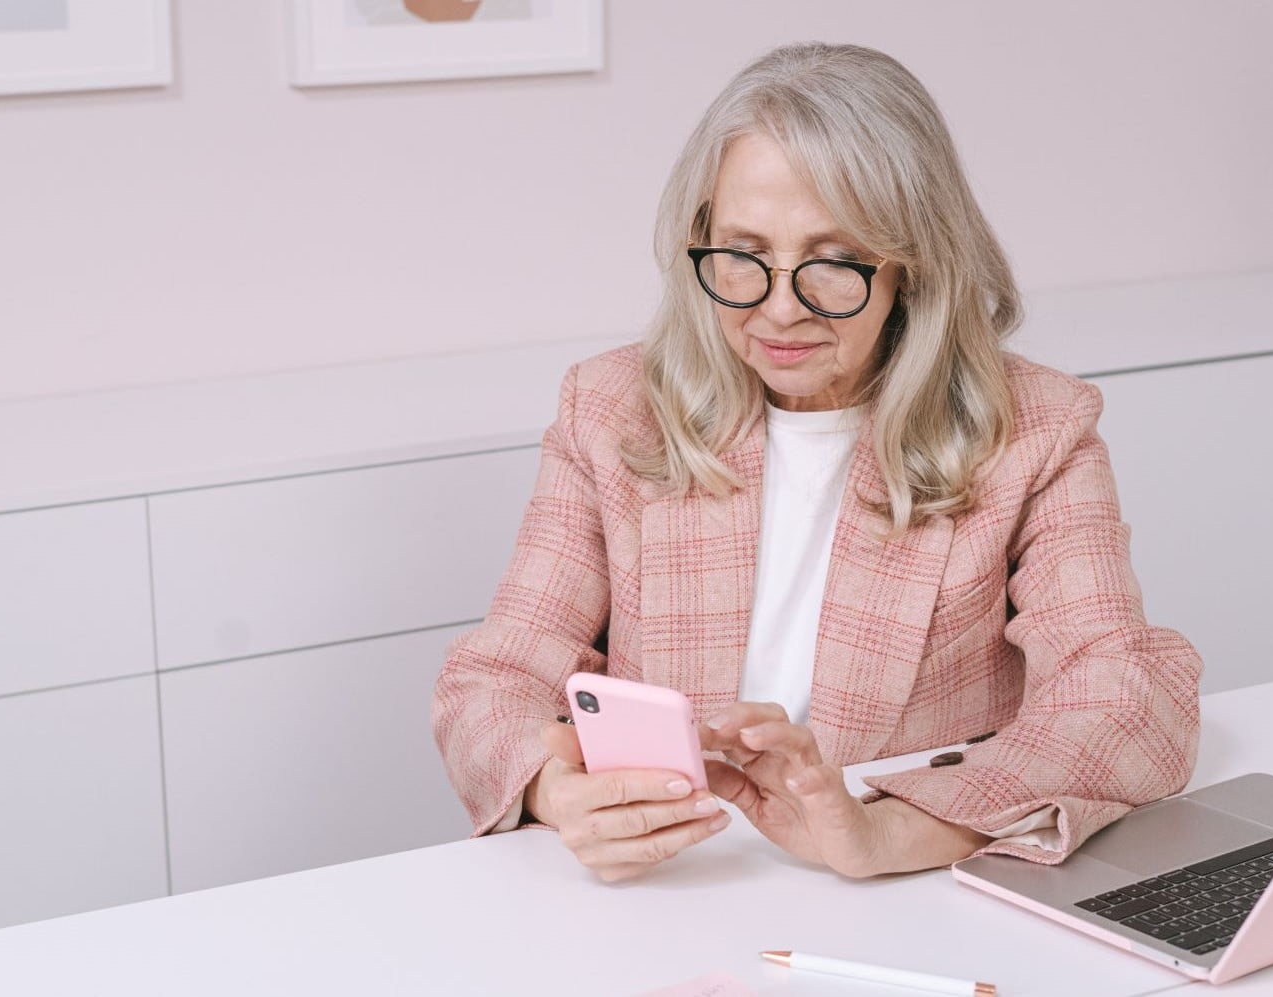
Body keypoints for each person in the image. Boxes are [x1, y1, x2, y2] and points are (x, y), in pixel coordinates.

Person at [430, 42, 1201, 882]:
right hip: (674, 880)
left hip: (907, 883)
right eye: (743, 252)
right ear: (700, 241)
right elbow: (492, 678)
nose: (778, 308)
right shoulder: (610, 406)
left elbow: (1129, 696)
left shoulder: (1037, 428)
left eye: (832, 263)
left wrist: (887, 834)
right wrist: (552, 785)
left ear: (911, 264)